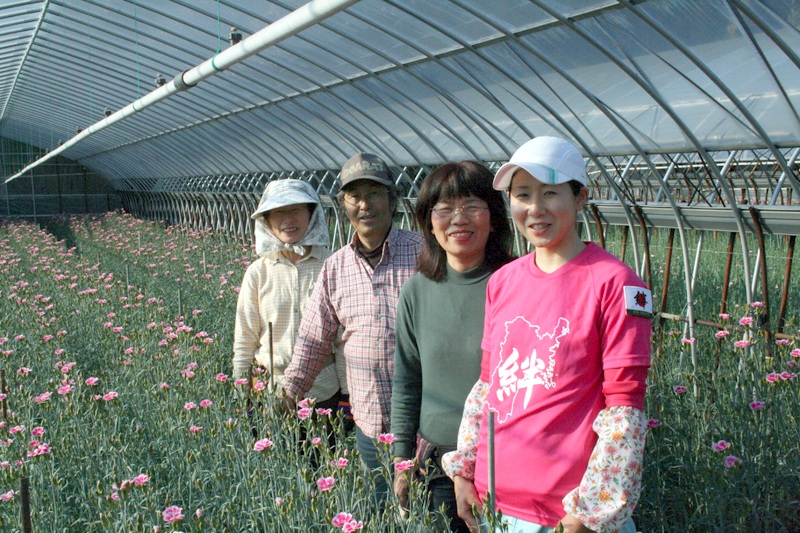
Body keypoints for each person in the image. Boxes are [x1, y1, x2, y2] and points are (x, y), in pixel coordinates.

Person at [441, 137, 652, 533]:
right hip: (495, 505)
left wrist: (589, 515)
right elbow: (488, 387)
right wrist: (465, 472)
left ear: (580, 198)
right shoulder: (503, 282)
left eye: (550, 193)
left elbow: (623, 407)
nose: (535, 208)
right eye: (522, 194)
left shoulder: (615, 283)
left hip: (565, 514)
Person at [282, 152, 423, 498]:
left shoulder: (423, 253)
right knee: (380, 510)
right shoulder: (336, 268)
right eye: (354, 196)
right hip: (369, 425)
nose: (365, 205)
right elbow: (314, 338)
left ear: (392, 198)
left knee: (425, 513)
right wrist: (290, 391)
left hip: (423, 427)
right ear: (343, 204)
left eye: (374, 193)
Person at [390, 161, 514, 532]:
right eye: (444, 209)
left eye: (472, 206)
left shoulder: (517, 283)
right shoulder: (416, 291)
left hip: (506, 462)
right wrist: (401, 460)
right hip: (438, 467)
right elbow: (407, 381)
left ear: (494, 219)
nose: (458, 219)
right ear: (429, 223)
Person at [232, 179, 344, 416]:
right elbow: (245, 338)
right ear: (267, 220)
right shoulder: (258, 272)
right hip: (270, 389)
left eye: (296, 210)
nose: (288, 220)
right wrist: (241, 392)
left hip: (322, 390)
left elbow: (343, 340)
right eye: (279, 212)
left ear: (311, 214)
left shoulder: (333, 266)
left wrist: (346, 396)